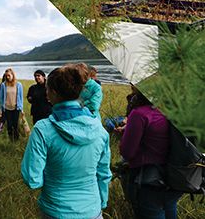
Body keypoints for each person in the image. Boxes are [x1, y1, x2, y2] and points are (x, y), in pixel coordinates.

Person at [21, 65, 110, 219]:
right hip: (93, 210)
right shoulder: (100, 130)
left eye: (48, 89)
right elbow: (103, 174)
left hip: (56, 210)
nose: (46, 94)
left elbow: (32, 179)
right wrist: (101, 203)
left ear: (54, 92)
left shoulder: (43, 129)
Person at [119, 87, 183, 218]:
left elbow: (127, 152)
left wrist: (126, 134)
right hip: (177, 178)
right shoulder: (175, 111)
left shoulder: (139, 114)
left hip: (149, 181)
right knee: (170, 208)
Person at [0, 68, 24, 142]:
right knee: (9, 126)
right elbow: (1, 98)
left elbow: (21, 98)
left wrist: (21, 109)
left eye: (9, 75)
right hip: (6, 109)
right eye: (6, 76)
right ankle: (11, 139)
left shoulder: (19, 85)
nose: (7, 77)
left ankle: (16, 139)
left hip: (16, 108)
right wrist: (0, 109)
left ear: (13, 75)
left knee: (15, 125)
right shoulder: (3, 85)